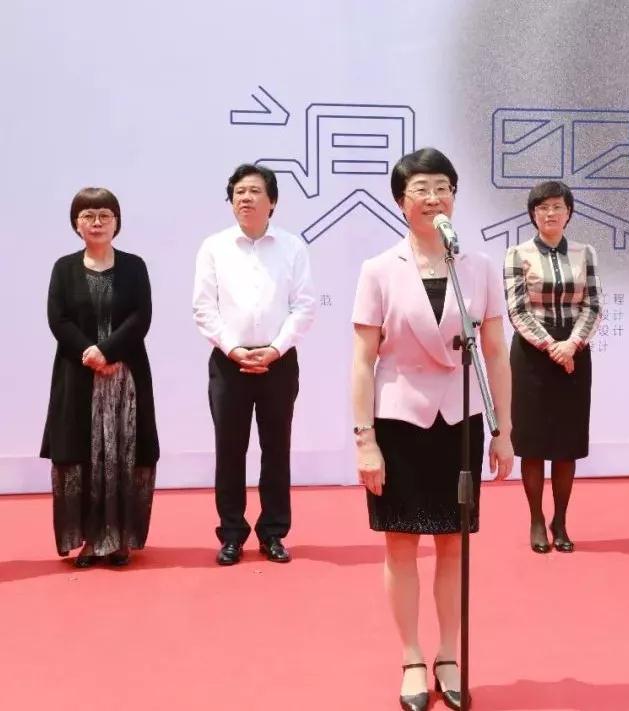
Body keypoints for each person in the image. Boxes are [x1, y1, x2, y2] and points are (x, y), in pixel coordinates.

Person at [351, 148, 514, 711]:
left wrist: (503, 430)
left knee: (453, 546)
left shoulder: (479, 266)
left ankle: (449, 654)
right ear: (402, 201)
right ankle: (412, 658)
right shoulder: (379, 269)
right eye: (420, 189)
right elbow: (362, 361)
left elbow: (495, 353)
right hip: (398, 421)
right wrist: (365, 440)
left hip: (459, 421)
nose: (433, 198)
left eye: (443, 187)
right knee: (401, 546)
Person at [192, 164, 316, 565]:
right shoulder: (214, 247)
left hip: (279, 361)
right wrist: (232, 349)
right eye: (239, 192)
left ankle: (273, 532)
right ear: (231, 202)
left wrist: (276, 349)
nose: (245, 198)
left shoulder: (292, 247)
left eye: (254, 191)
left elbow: (304, 306)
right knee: (229, 451)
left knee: (276, 450)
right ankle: (231, 534)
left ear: (273, 201)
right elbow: (204, 308)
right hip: (229, 362)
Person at [40, 187, 159, 568]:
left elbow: (141, 317)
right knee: (83, 459)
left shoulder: (135, 266)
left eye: (104, 215)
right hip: (78, 376)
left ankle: (120, 539)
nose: (96, 222)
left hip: (126, 378)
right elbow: (58, 319)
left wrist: (108, 351)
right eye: (88, 215)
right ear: (76, 224)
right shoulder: (63, 268)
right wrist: (89, 353)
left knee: (123, 456)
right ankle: (91, 541)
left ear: (116, 222)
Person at [503, 180, 602, 554]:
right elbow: (517, 309)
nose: (550, 213)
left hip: (575, 352)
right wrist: (550, 346)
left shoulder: (585, 252)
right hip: (532, 355)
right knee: (532, 443)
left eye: (557, 207)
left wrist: (571, 344)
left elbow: (593, 305)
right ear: (533, 214)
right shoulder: (517, 253)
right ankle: (536, 519)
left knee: (566, 444)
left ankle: (560, 521)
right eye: (542, 207)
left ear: (569, 212)